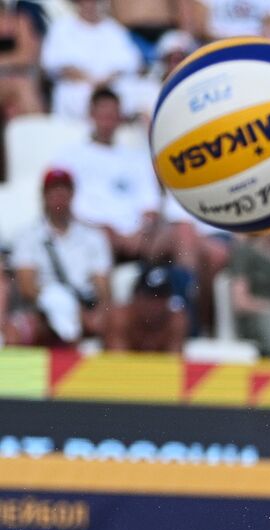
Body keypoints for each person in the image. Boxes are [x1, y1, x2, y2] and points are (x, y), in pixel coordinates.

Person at [54, 86, 161, 262]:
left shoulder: (137, 158)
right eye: (102, 116)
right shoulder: (68, 157)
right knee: (100, 238)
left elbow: (150, 206)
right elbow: (60, 203)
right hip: (92, 234)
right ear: (91, 115)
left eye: (111, 116)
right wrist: (104, 231)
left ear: (119, 118)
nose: (107, 122)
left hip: (139, 237)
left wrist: (141, 233)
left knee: (183, 234)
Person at [7, 168, 111, 348]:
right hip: (44, 307)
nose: (59, 197)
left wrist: (98, 312)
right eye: (54, 191)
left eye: (64, 191)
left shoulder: (92, 237)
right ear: (44, 196)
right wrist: (60, 306)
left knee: (112, 322)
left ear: (72, 194)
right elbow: (27, 287)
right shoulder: (28, 236)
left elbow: (102, 286)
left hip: (84, 305)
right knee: (51, 310)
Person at [40, 0, 143, 119]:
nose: (91, 6)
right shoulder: (62, 27)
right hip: (77, 88)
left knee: (143, 92)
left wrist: (105, 81)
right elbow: (52, 64)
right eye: (87, 2)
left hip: (111, 86)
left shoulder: (114, 29)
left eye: (96, 2)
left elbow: (132, 63)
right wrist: (91, 81)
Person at [104, 263, 187, 353]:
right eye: (150, 298)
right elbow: (118, 362)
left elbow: (173, 363)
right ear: (136, 297)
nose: (155, 306)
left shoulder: (175, 322)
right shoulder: (120, 319)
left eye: (160, 298)